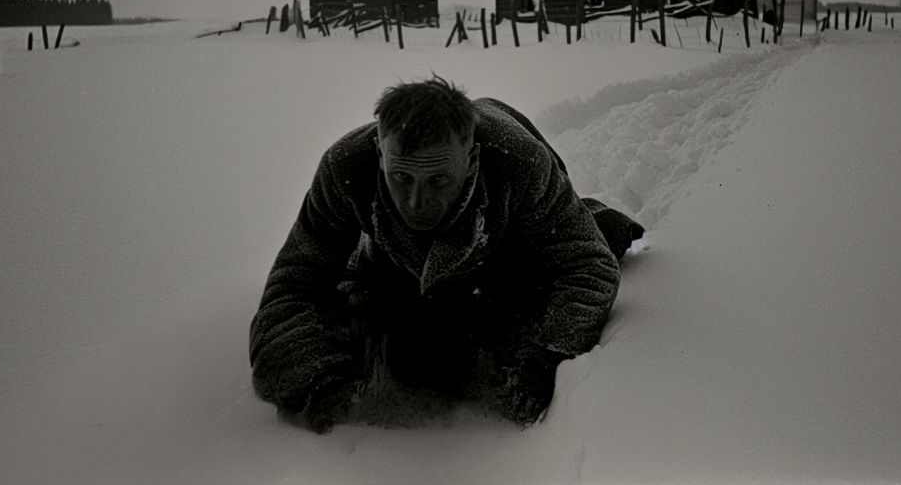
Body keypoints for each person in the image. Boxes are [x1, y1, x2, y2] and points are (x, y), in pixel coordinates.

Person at [249, 75, 643, 432]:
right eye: (401, 177)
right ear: (380, 153)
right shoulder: (345, 167)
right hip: (393, 272)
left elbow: (587, 264)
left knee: (587, 245)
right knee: (400, 344)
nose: (416, 202)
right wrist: (318, 379)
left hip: (510, 255)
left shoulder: (520, 162)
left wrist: (547, 356)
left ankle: (587, 214)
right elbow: (294, 282)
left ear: (470, 161)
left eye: (438, 178)